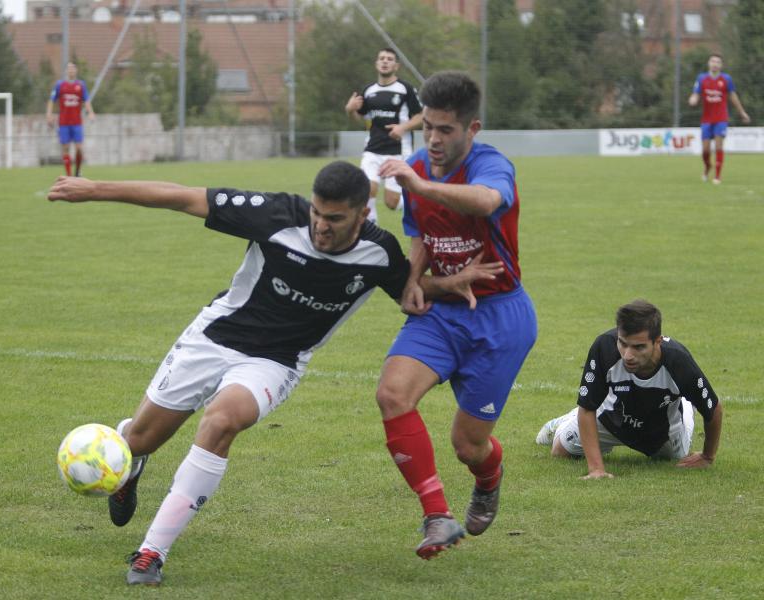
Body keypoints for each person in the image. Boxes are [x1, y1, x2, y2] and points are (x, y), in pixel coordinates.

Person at [47, 161, 502, 586]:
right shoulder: (276, 215)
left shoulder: (378, 252)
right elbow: (181, 197)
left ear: (363, 213)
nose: (322, 226)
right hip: (213, 338)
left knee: (222, 420)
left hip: (275, 361)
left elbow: (410, 293)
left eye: (336, 219)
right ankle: (131, 463)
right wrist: (94, 189)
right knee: (141, 439)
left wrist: (445, 284)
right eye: (318, 214)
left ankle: (152, 552)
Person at [374, 71, 537, 559]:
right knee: (391, 394)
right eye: (429, 128)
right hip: (443, 314)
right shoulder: (420, 167)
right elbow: (419, 234)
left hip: (500, 317)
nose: (435, 139)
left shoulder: (491, 165)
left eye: (446, 130)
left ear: (473, 128)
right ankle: (437, 515)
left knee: (468, 446)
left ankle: (489, 476)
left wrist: (420, 183)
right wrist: (413, 283)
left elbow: (487, 200)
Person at [535, 300, 723, 479]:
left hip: (662, 431)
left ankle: (685, 408)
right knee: (560, 451)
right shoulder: (604, 347)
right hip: (611, 418)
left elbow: (713, 409)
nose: (628, 355)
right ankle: (562, 422)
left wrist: (707, 456)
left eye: (638, 347)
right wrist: (597, 470)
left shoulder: (678, 361)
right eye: (623, 343)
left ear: (657, 341)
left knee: (674, 458)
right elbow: (588, 407)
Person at [345, 48, 423, 223]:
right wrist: (350, 111)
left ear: (396, 66)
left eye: (389, 59)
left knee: (391, 202)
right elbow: (361, 120)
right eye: (382, 58)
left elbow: (421, 117)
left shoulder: (405, 89)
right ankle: (372, 231)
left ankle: (422, 207)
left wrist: (403, 128)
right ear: (376, 64)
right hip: (372, 149)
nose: (385, 61)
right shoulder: (368, 90)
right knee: (367, 190)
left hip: (398, 151)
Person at [688, 53, 750, 184]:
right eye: (713, 61)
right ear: (709, 63)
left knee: (718, 146)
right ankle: (707, 166)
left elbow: (733, 96)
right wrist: (693, 99)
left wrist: (742, 112)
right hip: (706, 119)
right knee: (705, 150)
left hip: (721, 118)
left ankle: (717, 176)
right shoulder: (701, 78)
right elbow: (696, 94)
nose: (715, 64)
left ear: (721, 65)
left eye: (718, 62)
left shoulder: (726, 79)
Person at [46, 61, 95, 177]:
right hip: (63, 123)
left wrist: (91, 113)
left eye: (73, 68)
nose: (71, 70)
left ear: (76, 70)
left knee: (79, 148)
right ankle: (68, 175)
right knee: (66, 148)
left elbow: (86, 100)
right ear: (66, 71)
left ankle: (77, 172)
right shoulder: (60, 85)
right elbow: (51, 100)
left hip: (77, 122)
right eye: (69, 68)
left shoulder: (81, 85)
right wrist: (49, 115)